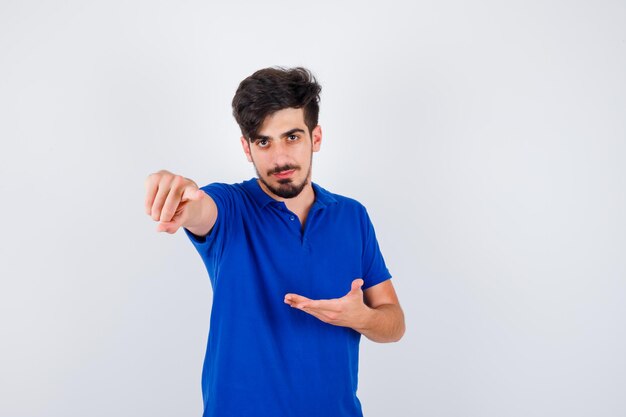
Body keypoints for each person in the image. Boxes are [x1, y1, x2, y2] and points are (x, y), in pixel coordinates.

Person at [144, 66, 405, 417]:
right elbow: (200, 208)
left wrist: (360, 317)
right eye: (263, 141)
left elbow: (394, 323)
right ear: (246, 147)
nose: (279, 157)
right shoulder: (231, 206)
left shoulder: (352, 216)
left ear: (316, 137)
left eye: (292, 137)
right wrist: (178, 194)